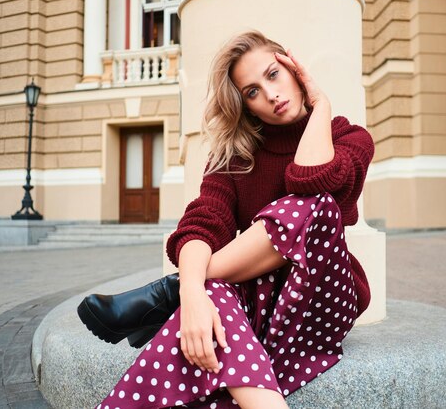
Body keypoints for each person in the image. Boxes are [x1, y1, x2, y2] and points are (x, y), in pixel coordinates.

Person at [91, 30, 374, 408]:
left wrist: (320, 104)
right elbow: (203, 222)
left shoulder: (350, 137)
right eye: (252, 92)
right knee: (211, 296)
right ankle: (180, 291)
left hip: (322, 302)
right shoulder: (235, 158)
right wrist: (192, 296)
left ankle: (167, 292)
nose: (271, 94)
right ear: (246, 107)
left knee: (313, 204)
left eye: (273, 74)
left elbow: (310, 179)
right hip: (263, 306)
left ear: (293, 69)